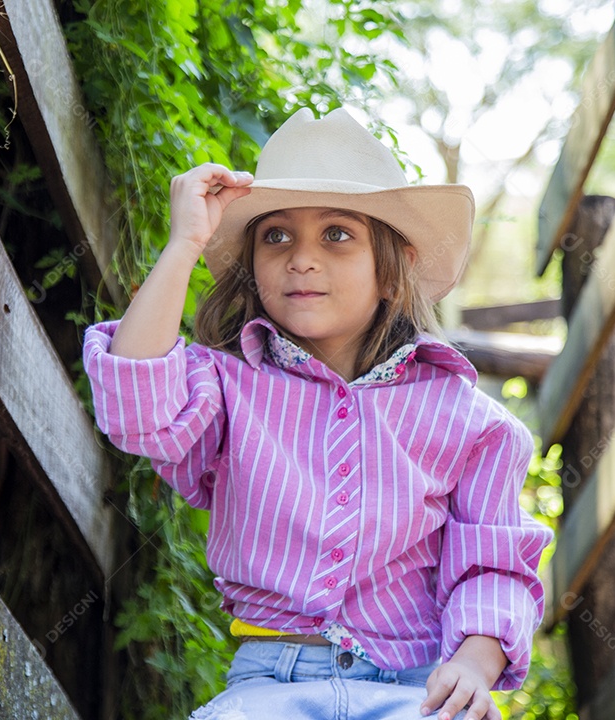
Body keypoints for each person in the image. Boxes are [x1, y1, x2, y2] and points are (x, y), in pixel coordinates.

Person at [82, 107, 553, 720]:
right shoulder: (224, 386)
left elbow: (493, 566)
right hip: (265, 689)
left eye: (337, 234)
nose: (302, 258)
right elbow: (135, 408)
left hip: (415, 687)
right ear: (252, 266)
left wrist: (472, 665)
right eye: (276, 235)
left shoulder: (470, 422)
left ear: (394, 268)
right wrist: (185, 245)